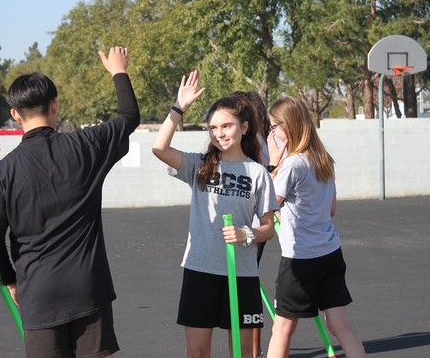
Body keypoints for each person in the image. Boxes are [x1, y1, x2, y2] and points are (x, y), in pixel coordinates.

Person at [0, 46, 140, 358]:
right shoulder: (85, 145)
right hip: (88, 288)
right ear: (55, 104)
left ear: (15, 114)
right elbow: (130, 116)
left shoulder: (4, 171)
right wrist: (118, 70)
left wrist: (9, 279)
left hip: (38, 294)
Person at [152, 70, 279, 358]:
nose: (220, 133)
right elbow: (158, 148)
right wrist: (178, 108)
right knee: (197, 353)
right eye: (213, 128)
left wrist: (247, 234)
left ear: (244, 127)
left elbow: (269, 228)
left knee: (244, 353)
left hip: (242, 273)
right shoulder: (199, 165)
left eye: (227, 126)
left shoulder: (258, 173)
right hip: (201, 270)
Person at [265, 96, 366, 358]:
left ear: (288, 126)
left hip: (301, 259)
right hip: (330, 253)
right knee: (339, 325)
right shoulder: (323, 159)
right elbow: (331, 209)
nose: (271, 132)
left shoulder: (292, 164)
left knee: (282, 329)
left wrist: (273, 164)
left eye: (274, 126)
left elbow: (267, 204)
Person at [229, 91, 271, 358]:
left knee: (244, 291)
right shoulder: (261, 141)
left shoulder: (253, 143)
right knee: (248, 288)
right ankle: (253, 351)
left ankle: (251, 351)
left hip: (249, 225)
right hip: (250, 224)